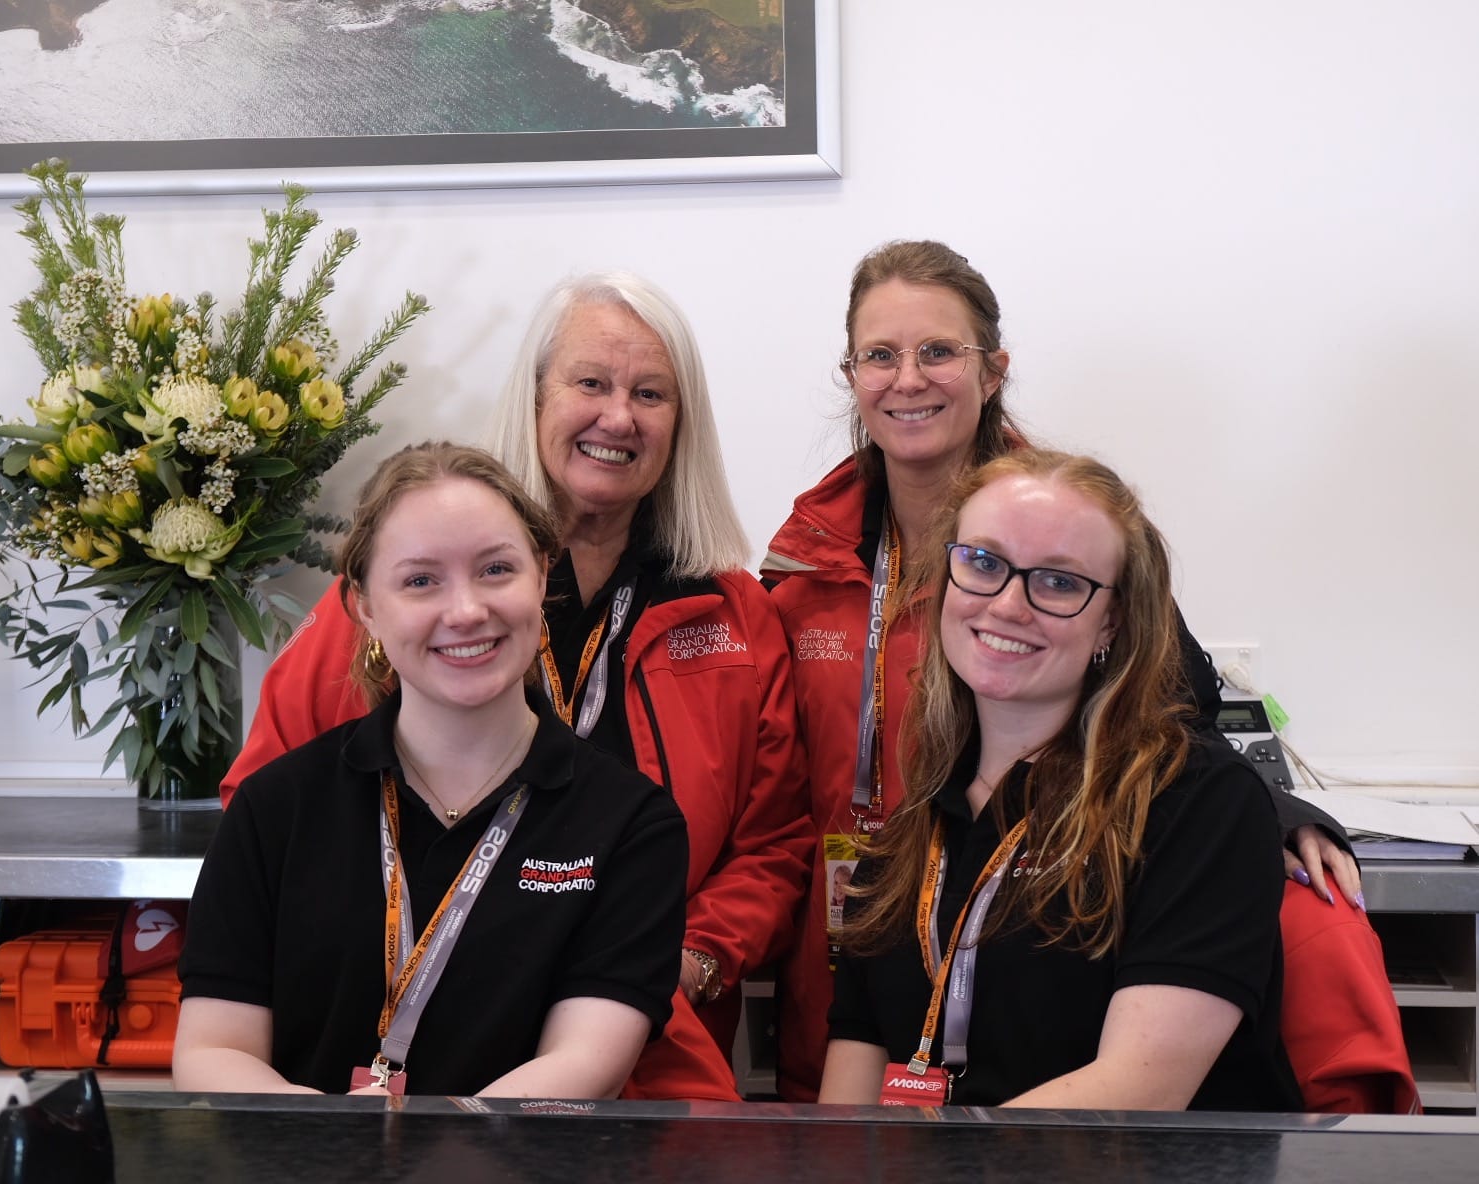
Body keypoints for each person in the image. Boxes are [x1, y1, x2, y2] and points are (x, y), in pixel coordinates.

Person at [762, 239, 1359, 1103]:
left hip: (1055, 924)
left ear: (991, 370)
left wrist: (1267, 807)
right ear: (849, 373)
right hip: (876, 920)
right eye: (879, 355)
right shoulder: (796, 567)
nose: (908, 378)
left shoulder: (1080, 529)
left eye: (938, 351)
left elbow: (1170, 718)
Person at [219, 273, 812, 1097]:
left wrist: (679, 960)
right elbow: (267, 806)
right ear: (534, 398)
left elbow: (774, 842)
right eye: (590, 383)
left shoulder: (732, 614)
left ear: (681, 424)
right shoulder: (400, 596)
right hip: (402, 1067)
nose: (618, 417)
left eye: (650, 393)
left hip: (650, 1066)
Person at [174, 442, 689, 1096]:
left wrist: (416, 1153)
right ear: (364, 606)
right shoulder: (277, 807)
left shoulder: (629, 825)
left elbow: (586, 1064)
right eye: (421, 580)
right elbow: (212, 1049)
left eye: (496, 569)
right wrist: (339, 1148)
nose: (466, 610)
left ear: (542, 575)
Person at [820, 449, 1302, 1110]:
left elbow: (1135, 1095)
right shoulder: (904, 841)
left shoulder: (1196, 803)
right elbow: (849, 1107)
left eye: (1057, 581)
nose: (1008, 604)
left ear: (1112, 619)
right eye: (982, 563)